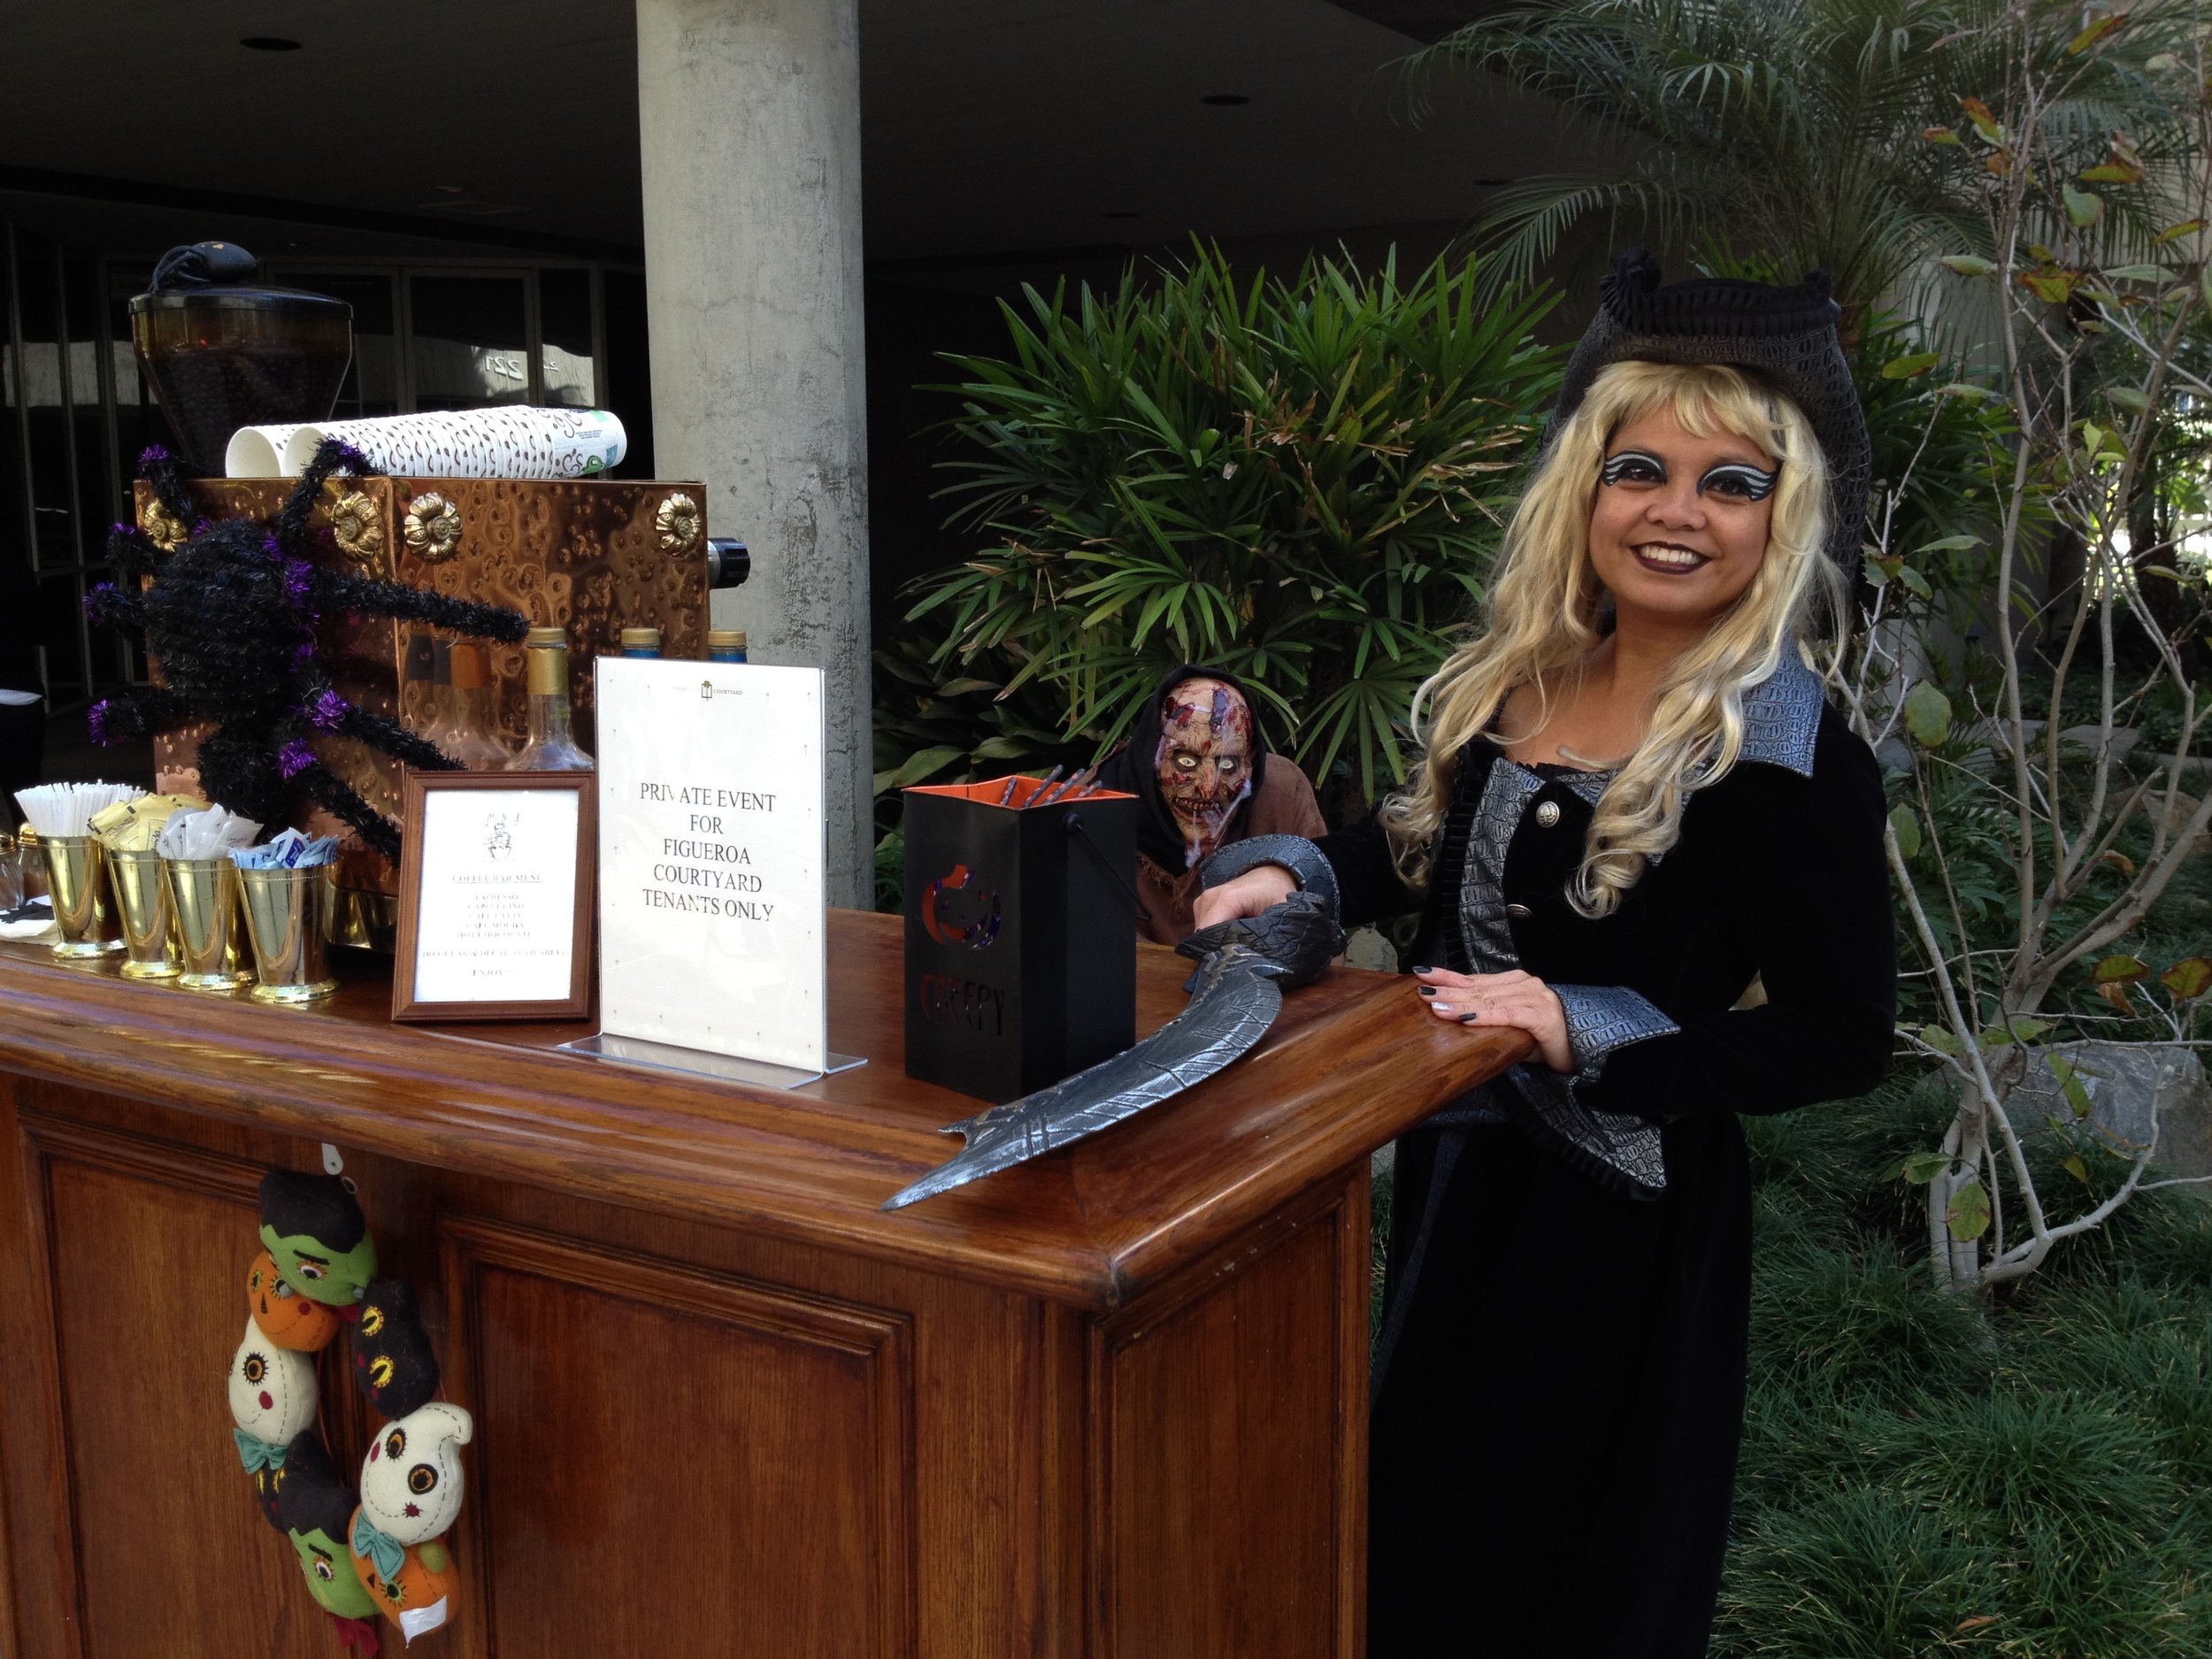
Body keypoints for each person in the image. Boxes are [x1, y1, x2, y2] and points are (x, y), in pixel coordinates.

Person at [1193, 250, 1897, 1657]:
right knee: (1421, 1528)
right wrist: (1294, 863)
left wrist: (1592, 1024)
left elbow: (1843, 1030)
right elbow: (1404, 853)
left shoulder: (1795, 756)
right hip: (1457, 1185)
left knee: (1579, 1567)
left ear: (1782, 515)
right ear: (1586, 490)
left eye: (1731, 482)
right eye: (1642, 468)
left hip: (1624, 1228)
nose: (1677, 512)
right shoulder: (1515, 683)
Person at [1094, 664, 1325, 946]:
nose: (1207, 787)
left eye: (1228, 764)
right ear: (1150, 756)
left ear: (1251, 760)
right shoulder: (1094, 811)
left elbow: (1320, 924)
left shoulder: (1282, 794)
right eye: (1186, 762)